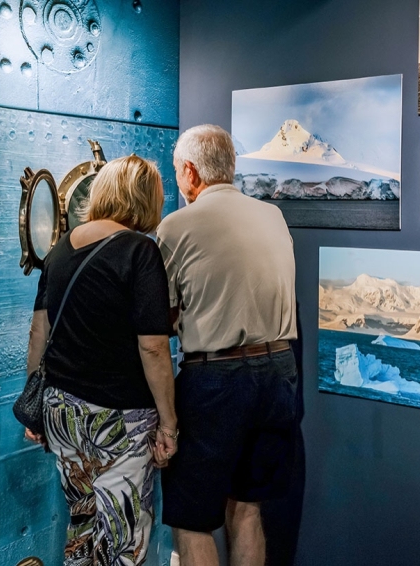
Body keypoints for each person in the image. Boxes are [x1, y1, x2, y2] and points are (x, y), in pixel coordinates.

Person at [24, 154, 178, 566]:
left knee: (82, 527)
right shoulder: (140, 251)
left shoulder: (59, 250)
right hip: (118, 420)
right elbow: (153, 347)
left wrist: (35, 409)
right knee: (123, 541)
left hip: (61, 410)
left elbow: (38, 332)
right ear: (146, 199)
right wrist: (169, 423)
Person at [156, 124, 299, 566]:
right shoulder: (272, 215)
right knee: (248, 507)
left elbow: (161, 317)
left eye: (178, 170)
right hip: (279, 372)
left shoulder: (176, 225)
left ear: (191, 173)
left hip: (216, 379)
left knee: (192, 518)